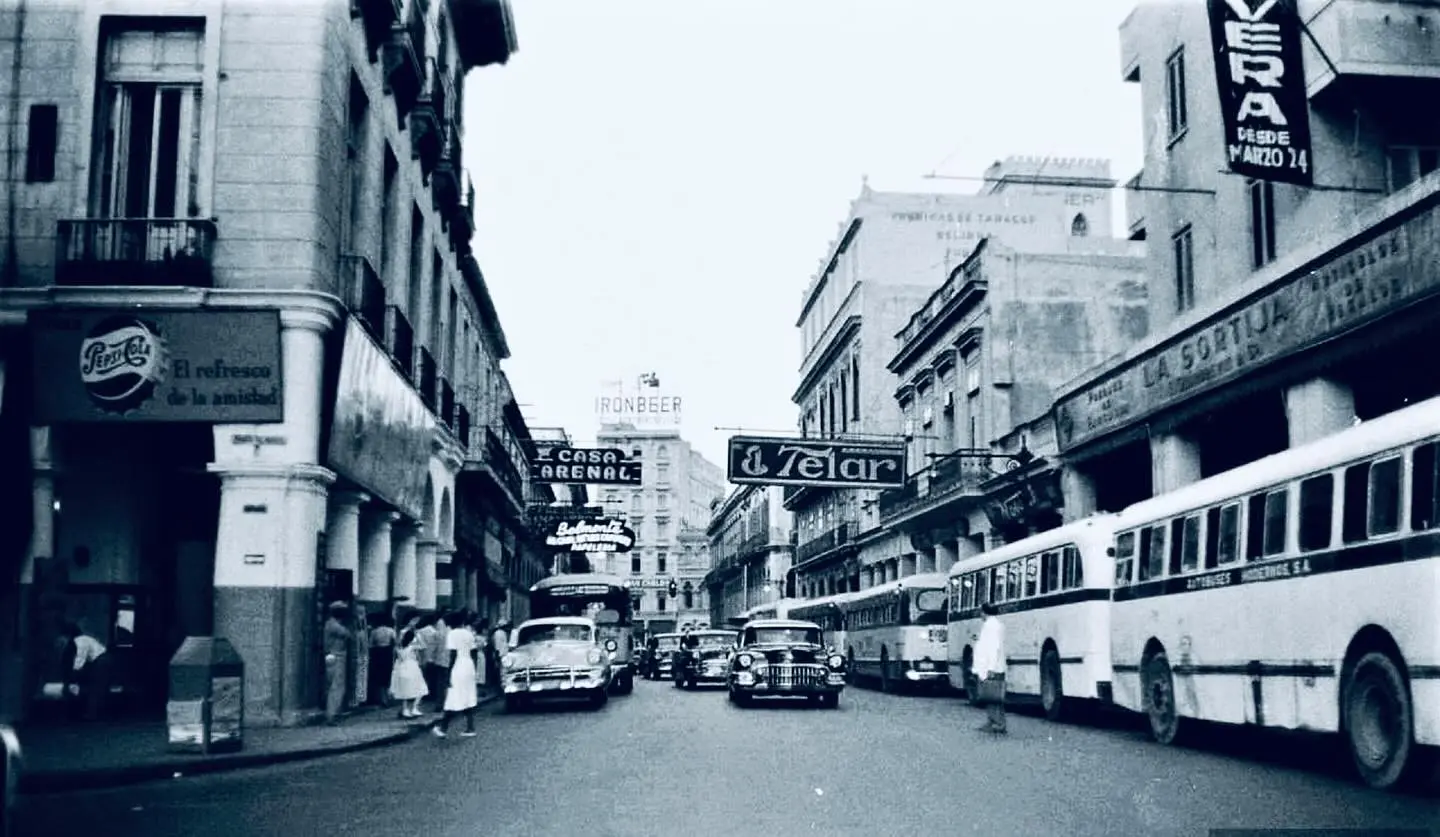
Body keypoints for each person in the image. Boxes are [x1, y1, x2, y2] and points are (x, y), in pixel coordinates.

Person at [435, 610, 479, 739]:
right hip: (469, 665)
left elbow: (453, 654)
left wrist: (449, 672)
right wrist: (474, 669)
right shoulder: (469, 633)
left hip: (458, 666)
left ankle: (443, 728)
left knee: (453, 696)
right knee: (468, 696)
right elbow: (474, 652)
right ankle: (470, 727)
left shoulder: (452, 634)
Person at [62, 622, 110, 721]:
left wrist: (74, 672)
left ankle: (93, 714)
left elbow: (80, 657)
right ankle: (95, 712)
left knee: (95, 688)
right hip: (100, 660)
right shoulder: (84, 639)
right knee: (97, 687)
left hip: (101, 661)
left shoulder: (80, 642)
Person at [972, 601, 1008, 734]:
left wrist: (991, 668)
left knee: (992, 696)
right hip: (991, 666)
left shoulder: (991, 626)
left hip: (991, 667)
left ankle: (997, 723)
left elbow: (994, 648)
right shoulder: (995, 625)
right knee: (992, 695)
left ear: (984, 612)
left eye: (981, 612)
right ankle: (993, 721)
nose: (980, 614)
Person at [389, 617, 429, 719]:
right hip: (412, 667)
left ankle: (405, 709)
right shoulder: (412, 647)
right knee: (420, 688)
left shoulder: (398, 648)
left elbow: (397, 656)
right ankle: (414, 708)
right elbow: (423, 646)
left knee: (405, 691)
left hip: (402, 668)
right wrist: (416, 635)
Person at [323, 602, 353, 725]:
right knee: (337, 686)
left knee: (333, 686)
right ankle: (332, 714)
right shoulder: (335, 626)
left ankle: (333, 712)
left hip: (332, 656)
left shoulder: (330, 624)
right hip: (337, 656)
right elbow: (348, 634)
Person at [368, 614, 396, 707]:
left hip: (377, 653)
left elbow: (371, 645)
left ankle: (381, 698)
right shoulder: (390, 630)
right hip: (388, 652)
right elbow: (396, 642)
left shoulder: (374, 632)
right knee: (387, 675)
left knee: (378, 676)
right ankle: (387, 697)